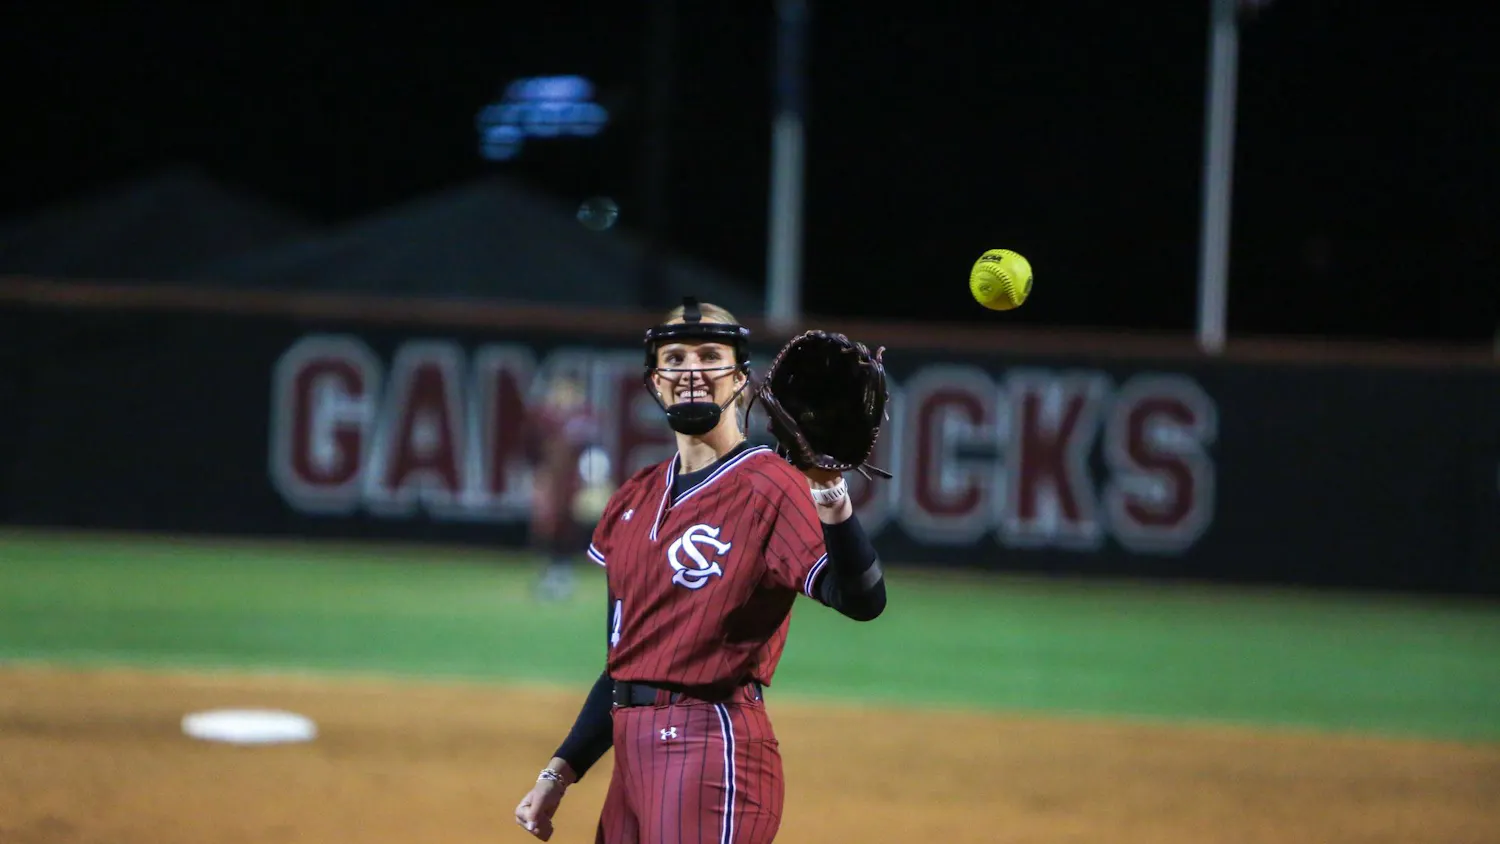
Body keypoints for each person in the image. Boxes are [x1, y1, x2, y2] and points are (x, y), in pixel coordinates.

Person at [513, 297, 888, 843]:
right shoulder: (633, 498)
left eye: (710, 355)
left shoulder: (769, 481)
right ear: (655, 381)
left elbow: (860, 599)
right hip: (632, 758)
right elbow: (626, 664)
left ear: (740, 379)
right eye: (676, 358)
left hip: (709, 745)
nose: (691, 370)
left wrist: (831, 497)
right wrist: (560, 771)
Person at [524, 371, 602, 602]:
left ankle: (563, 573)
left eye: (568, 389)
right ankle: (548, 572)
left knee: (569, 524)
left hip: (575, 481)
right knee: (546, 525)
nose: (563, 394)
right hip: (550, 478)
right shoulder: (543, 416)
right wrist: (536, 475)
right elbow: (531, 449)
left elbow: (594, 449)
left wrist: (594, 480)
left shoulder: (584, 417)